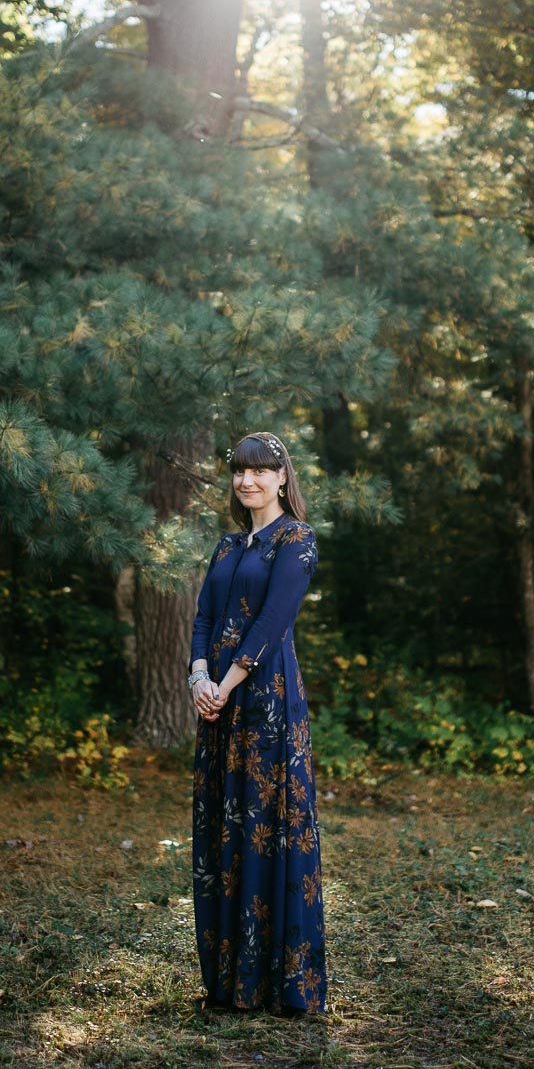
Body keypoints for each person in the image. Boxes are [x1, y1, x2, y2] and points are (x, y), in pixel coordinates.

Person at [187, 431, 327, 1015]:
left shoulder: (297, 540)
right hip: (216, 705)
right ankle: (228, 983)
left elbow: (272, 621)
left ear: (282, 477)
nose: (248, 482)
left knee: (268, 827)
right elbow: (203, 618)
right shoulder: (224, 546)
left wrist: (228, 681)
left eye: (260, 471)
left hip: (266, 703)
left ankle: (281, 985)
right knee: (225, 827)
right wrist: (199, 679)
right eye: (240, 472)